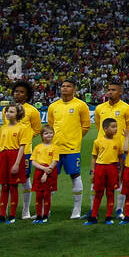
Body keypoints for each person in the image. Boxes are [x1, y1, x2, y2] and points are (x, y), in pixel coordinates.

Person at [46, 80, 91, 219]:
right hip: (55, 148)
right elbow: (50, 125)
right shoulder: (53, 106)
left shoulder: (81, 105)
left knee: (75, 175)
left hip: (72, 148)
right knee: (50, 177)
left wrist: (74, 138)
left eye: (68, 86)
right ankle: (46, 210)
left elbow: (86, 126)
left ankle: (76, 210)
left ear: (74, 89)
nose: (65, 88)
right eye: (63, 86)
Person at [95, 82, 129, 220]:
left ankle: (119, 209)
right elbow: (98, 125)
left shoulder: (126, 108)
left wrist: (123, 143)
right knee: (97, 182)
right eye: (108, 90)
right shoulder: (100, 108)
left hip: (119, 150)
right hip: (102, 149)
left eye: (113, 90)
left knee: (120, 180)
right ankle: (93, 210)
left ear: (120, 92)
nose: (110, 92)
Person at [9, 80, 43, 220]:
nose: (18, 94)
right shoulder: (9, 109)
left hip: (25, 151)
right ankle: (7, 208)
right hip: (9, 150)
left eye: (22, 92)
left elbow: (37, 129)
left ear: (27, 94)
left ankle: (25, 209)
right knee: (8, 180)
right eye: (16, 91)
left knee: (25, 179)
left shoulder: (32, 111)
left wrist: (25, 138)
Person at [0, 104, 31, 223]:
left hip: (14, 156)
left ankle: (12, 214)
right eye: (7, 111)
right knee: (4, 185)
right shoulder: (3, 128)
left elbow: (22, 147)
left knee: (13, 186)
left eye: (11, 112)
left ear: (18, 114)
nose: (8, 114)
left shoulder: (22, 128)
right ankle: (2, 213)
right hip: (3, 157)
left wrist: (16, 164)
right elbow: (0, 146)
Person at [85, 117, 124, 225]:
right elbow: (94, 157)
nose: (115, 129)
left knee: (110, 193)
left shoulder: (118, 140)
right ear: (105, 128)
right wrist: (93, 172)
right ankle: (93, 216)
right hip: (100, 168)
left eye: (116, 126)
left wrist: (120, 172)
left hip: (112, 168)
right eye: (113, 127)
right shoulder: (98, 141)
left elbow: (120, 157)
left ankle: (108, 216)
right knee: (98, 193)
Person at [30, 126, 60, 223]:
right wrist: (43, 169)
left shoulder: (55, 147)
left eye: (51, 133)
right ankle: (38, 215)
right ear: (42, 135)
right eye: (46, 133)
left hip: (50, 172)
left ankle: (45, 215)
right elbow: (33, 161)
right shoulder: (37, 147)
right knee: (38, 195)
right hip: (39, 171)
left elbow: (54, 161)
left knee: (47, 194)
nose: (49, 135)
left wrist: (46, 172)